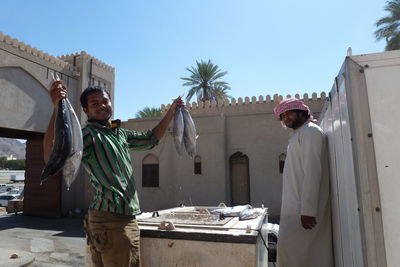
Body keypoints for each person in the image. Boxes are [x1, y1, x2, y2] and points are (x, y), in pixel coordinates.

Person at [43, 80, 183, 267]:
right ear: (85, 110)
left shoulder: (119, 133)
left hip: (118, 219)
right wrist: (56, 109)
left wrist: (171, 112)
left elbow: (152, 138)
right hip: (112, 220)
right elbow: (53, 156)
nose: (102, 106)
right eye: (94, 104)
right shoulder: (87, 135)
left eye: (105, 101)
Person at [273, 98, 333, 267]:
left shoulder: (311, 132)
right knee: (294, 254)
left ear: (302, 112)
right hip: (294, 209)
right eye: (282, 116)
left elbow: (313, 171)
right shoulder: (298, 135)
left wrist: (308, 210)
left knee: (304, 255)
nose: (285, 118)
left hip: (305, 213)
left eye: (289, 113)